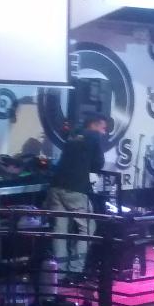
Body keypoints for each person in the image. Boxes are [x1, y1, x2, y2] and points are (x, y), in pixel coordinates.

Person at [43, 115, 107, 278]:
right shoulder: (94, 135)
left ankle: (59, 274)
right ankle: (75, 271)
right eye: (103, 128)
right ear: (94, 125)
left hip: (56, 187)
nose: (104, 132)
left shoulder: (74, 134)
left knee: (60, 231)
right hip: (75, 189)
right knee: (88, 228)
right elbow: (99, 163)